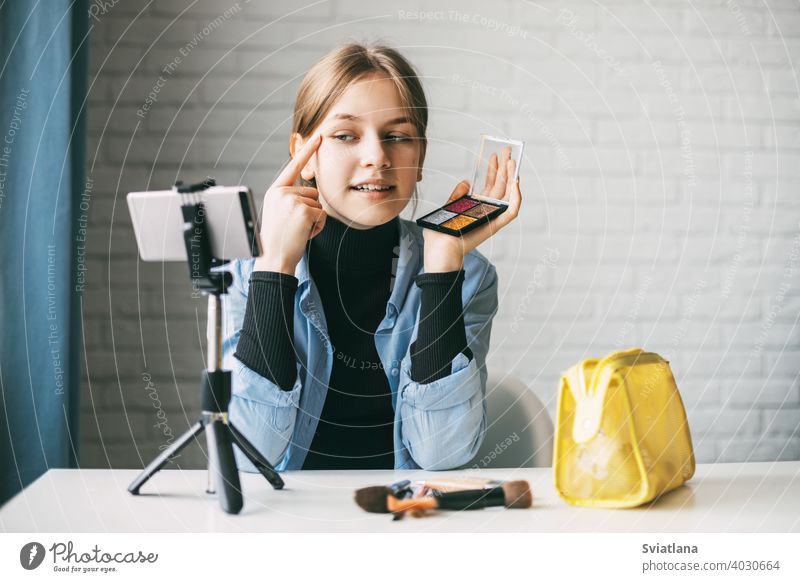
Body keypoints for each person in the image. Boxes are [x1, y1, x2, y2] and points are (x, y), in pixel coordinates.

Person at [222, 42, 522, 471]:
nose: (377, 157)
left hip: (407, 525)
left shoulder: (467, 274)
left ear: (419, 160)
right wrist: (274, 267)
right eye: (346, 136)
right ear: (303, 154)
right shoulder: (243, 270)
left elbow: (444, 455)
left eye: (398, 137)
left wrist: (441, 264)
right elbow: (249, 454)